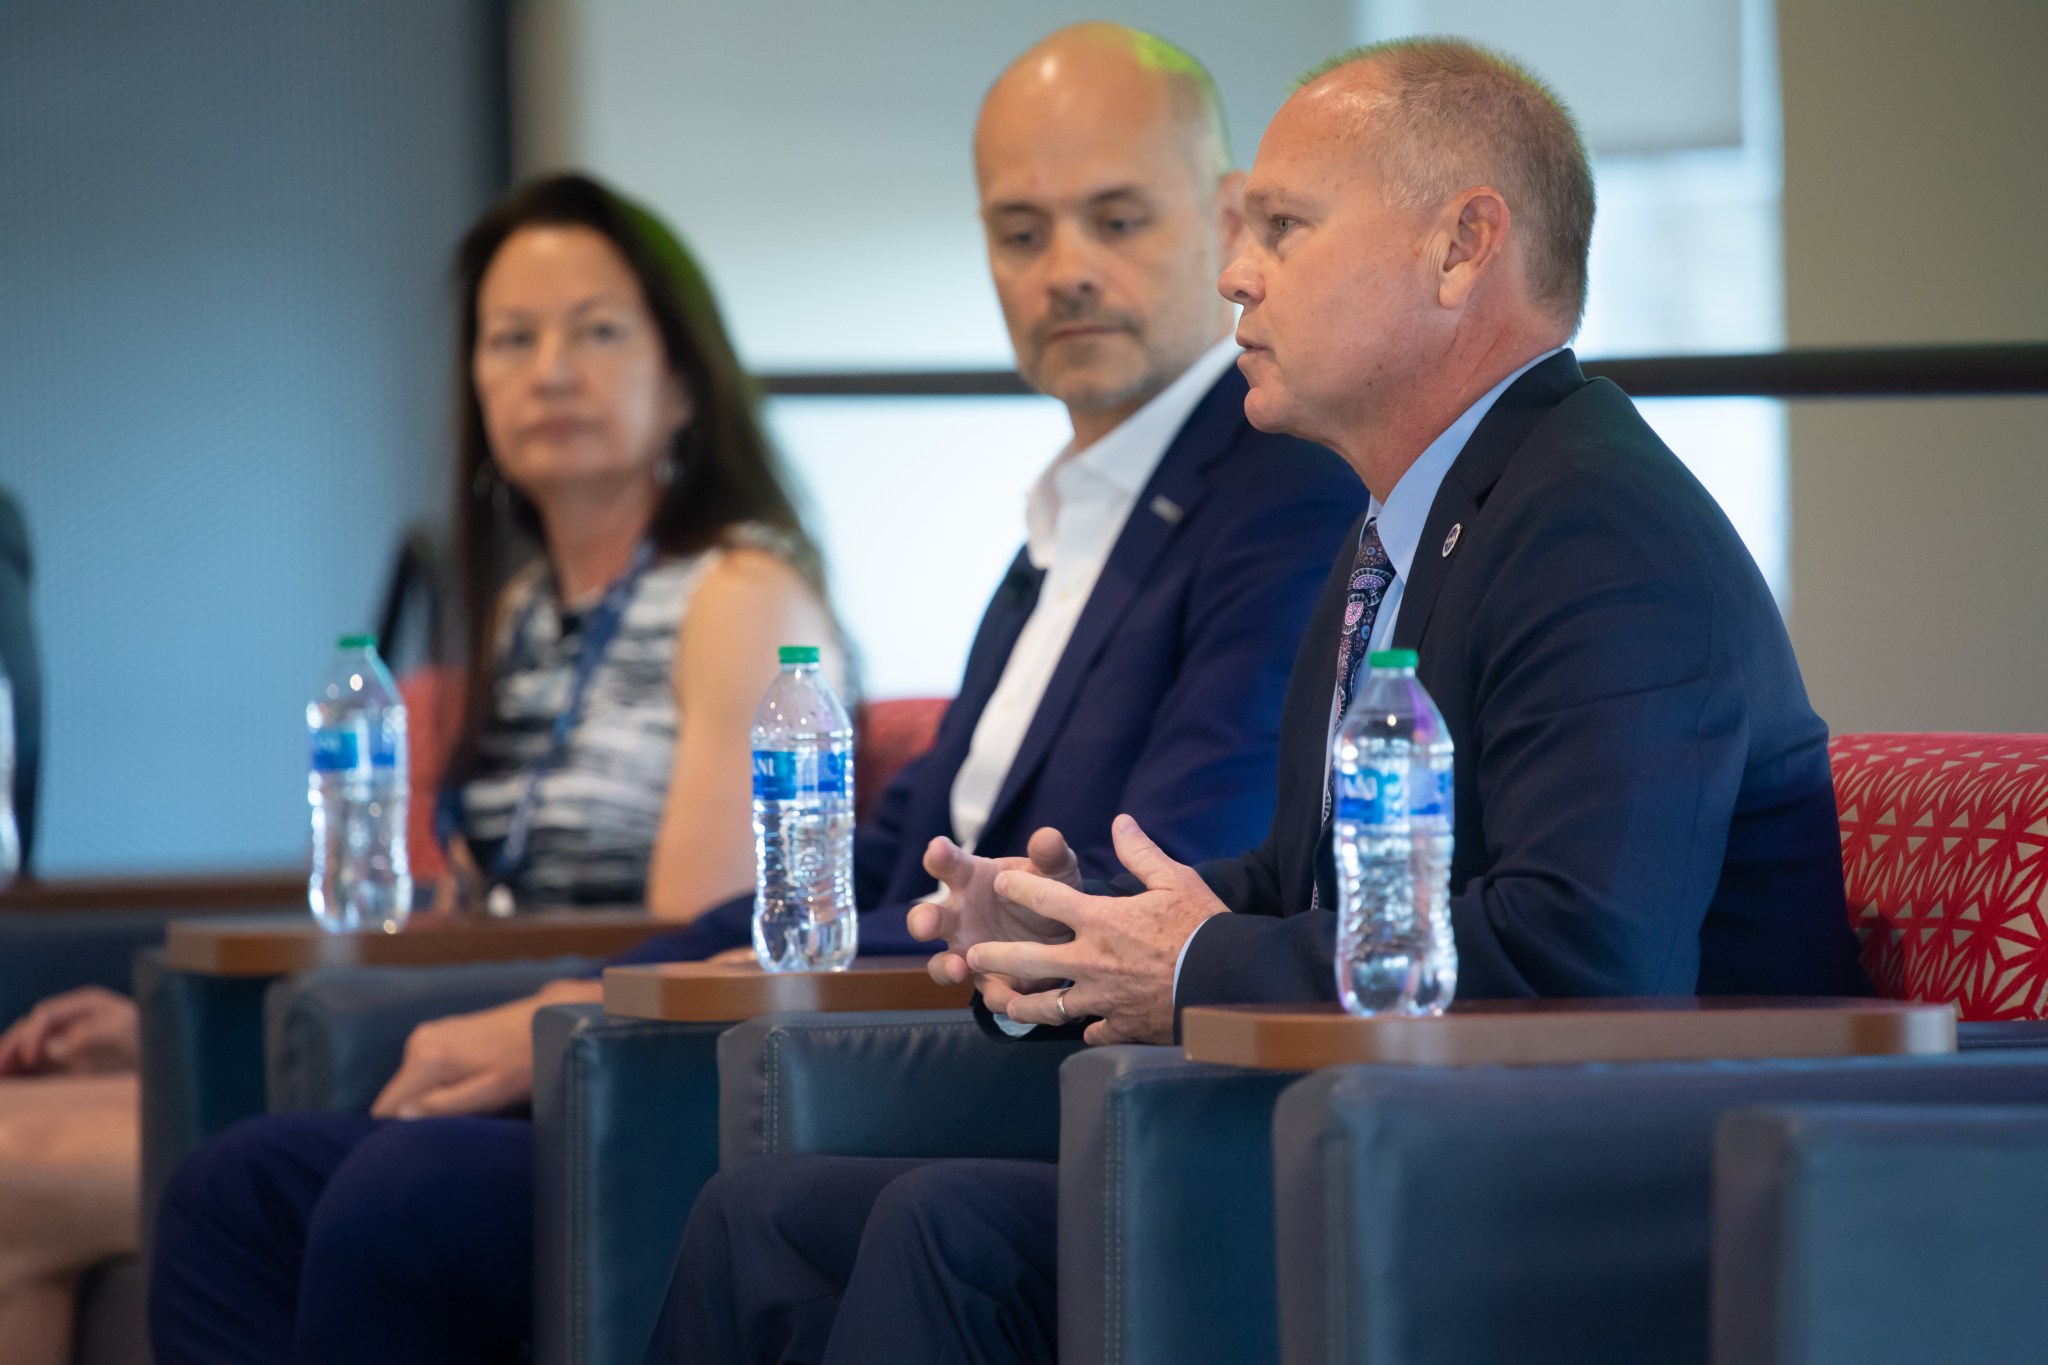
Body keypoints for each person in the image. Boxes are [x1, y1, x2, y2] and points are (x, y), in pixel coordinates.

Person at [150, 21, 1365, 1362]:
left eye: (1115, 218)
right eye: (1020, 233)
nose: (1066, 270)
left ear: (1228, 218)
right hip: (850, 1045)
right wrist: (589, 989)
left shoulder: (1281, 499)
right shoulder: (1066, 533)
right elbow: (874, 856)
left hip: (987, 1077)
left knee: (400, 1195)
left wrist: (612, 1014)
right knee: (241, 1186)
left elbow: (1149, 884)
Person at [652, 38, 1868, 1365]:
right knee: (765, 1220)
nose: (1235, 270)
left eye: (1283, 228)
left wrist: (1185, 964)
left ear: (1462, 250)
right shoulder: (1403, 530)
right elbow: (1304, 887)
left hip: (1602, 1203)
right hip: (1384, 1137)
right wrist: (1072, 932)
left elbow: (1584, 965)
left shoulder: (1601, 529)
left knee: (953, 1232)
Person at [144, 172, 842, 1362]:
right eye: (511, 339)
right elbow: (487, 899)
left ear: (682, 380)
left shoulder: (738, 596)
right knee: (233, 1182)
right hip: (528, 1042)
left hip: (642, 1073)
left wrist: (534, 1018)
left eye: (598, 331)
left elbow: (716, 921)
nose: (551, 370)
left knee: (396, 1191)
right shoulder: (525, 612)